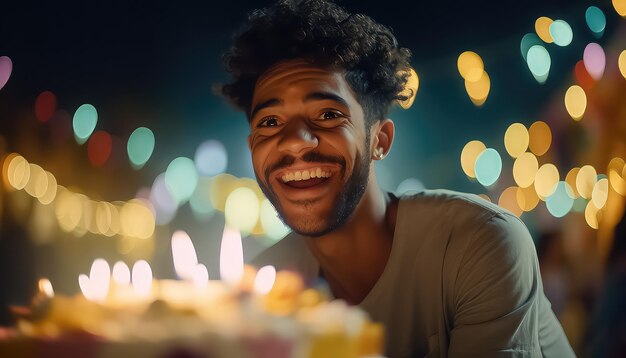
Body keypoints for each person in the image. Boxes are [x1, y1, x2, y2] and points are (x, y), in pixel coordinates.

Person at [220, 0, 575, 356]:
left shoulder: (478, 244)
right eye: (269, 123)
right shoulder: (263, 285)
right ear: (253, 147)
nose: (295, 141)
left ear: (380, 140)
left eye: (327, 114)